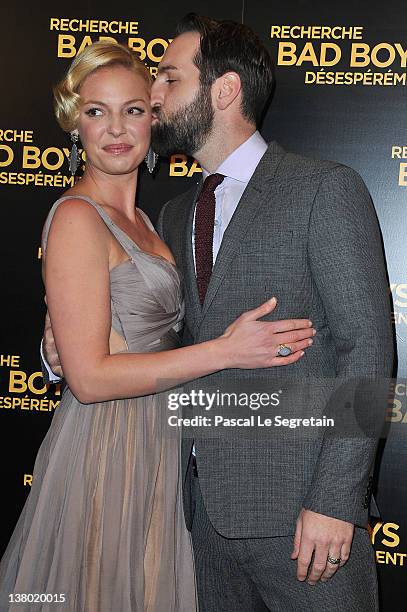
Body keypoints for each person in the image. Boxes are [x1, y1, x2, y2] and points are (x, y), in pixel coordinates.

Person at [0, 41, 315, 611]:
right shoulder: (76, 216)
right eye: (96, 111)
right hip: (106, 444)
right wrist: (224, 351)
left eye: (133, 109)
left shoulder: (153, 220)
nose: (115, 128)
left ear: (154, 118)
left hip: (161, 442)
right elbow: (91, 380)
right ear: (75, 125)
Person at [148, 14, 393, 612]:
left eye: (169, 79)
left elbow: (370, 350)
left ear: (224, 90)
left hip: (305, 524)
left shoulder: (323, 190)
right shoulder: (175, 214)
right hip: (200, 524)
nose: (152, 95)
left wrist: (336, 499)